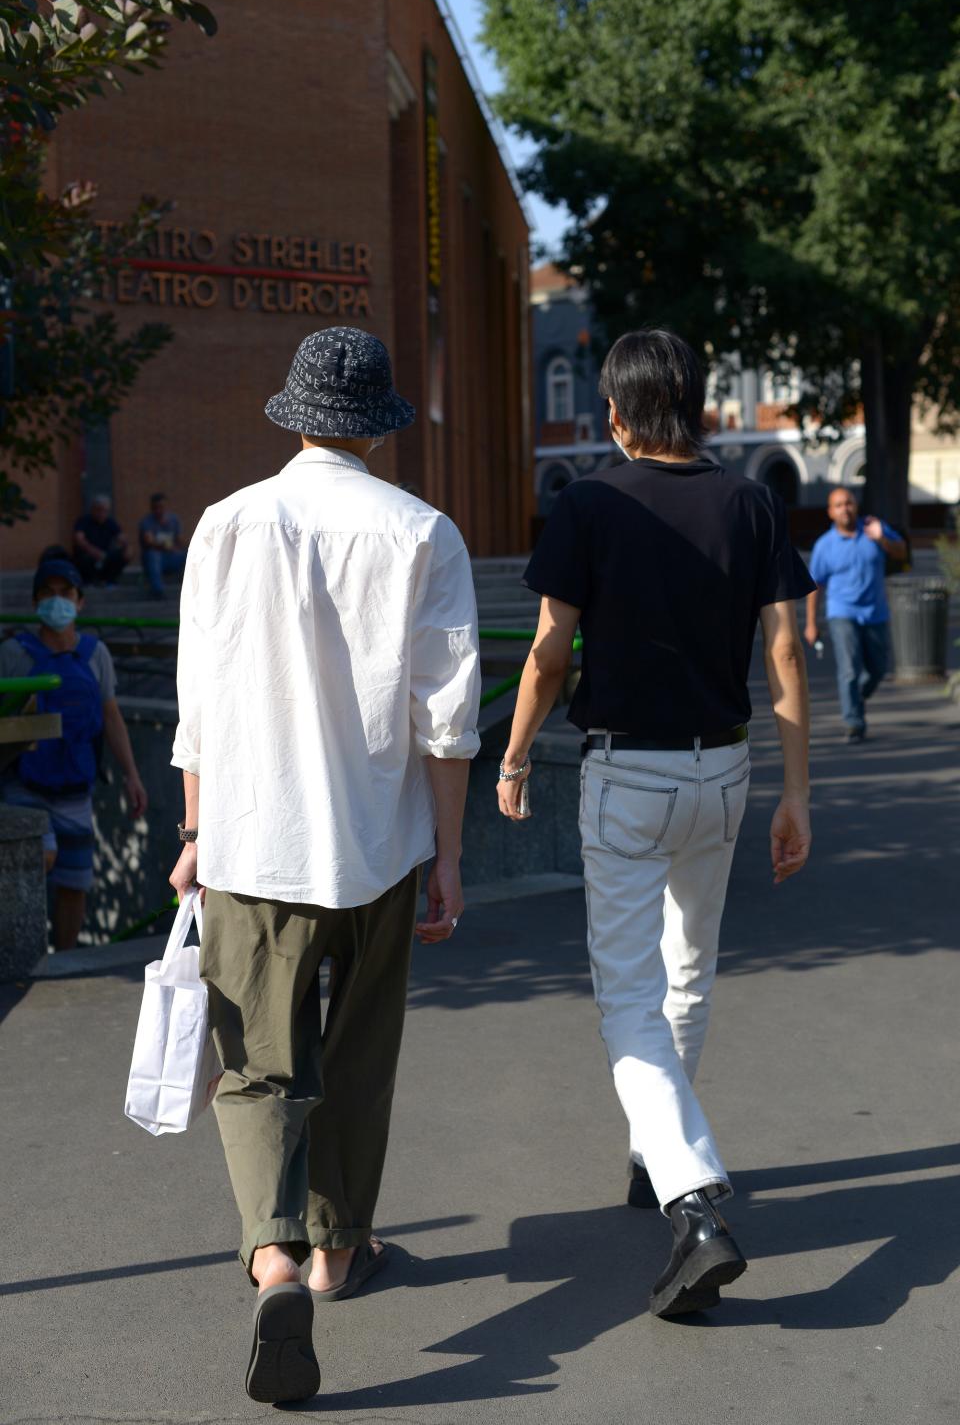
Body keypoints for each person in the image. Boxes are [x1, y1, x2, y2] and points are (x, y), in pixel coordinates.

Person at [168, 326, 481, 1404]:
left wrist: (195, 834)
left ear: (297, 417)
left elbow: (196, 705)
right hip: (378, 844)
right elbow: (447, 720)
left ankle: (274, 1260)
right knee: (358, 1051)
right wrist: (448, 853)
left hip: (253, 842)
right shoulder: (423, 531)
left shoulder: (226, 524)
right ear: (379, 428)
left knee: (259, 1064)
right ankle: (341, 1249)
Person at [496, 329, 814, 1319]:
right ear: (703, 406)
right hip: (723, 765)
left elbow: (550, 650)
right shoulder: (752, 501)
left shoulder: (589, 500)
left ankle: (693, 1197)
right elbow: (788, 655)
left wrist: (511, 754)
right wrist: (799, 793)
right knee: (687, 971)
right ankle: (654, 1152)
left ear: (618, 416)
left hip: (625, 770)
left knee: (628, 997)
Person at [0, 554, 148, 949]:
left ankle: (64, 962)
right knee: (40, 860)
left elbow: (111, 716)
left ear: (81, 601)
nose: (57, 601)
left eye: (65, 593)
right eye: (47, 593)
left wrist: (132, 774)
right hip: (24, 784)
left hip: (76, 787)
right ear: (35, 603)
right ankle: (26, 953)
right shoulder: (15, 654)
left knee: (75, 883)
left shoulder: (96, 654)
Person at [804, 487, 907, 740]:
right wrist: (810, 623)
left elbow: (901, 553)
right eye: (838, 505)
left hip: (875, 613)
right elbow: (814, 585)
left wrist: (882, 538)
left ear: (855, 506)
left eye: (848, 503)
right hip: (842, 612)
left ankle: (854, 698)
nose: (844, 509)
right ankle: (854, 722)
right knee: (849, 669)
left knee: (878, 670)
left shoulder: (873, 529)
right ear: (830, 512)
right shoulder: (824, 546)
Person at [72, 495, 132, 586]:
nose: (102, 513)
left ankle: (110, 581)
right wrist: (93, 551)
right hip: (88, 555)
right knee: (83, 557)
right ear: (93, 509)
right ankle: (89, 581)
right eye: (99, 510)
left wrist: (128, 547)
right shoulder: (84, 521)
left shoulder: (110, 522)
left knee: (121, 555)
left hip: (105, 555)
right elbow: (79, 539)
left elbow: (121, 537)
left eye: (105, 511)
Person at [139, 492, 188, 601]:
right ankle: (158, 591)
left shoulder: (174, 520)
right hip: (153, 560)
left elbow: (180, 540)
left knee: (189, 554)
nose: (159, 510)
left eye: (162, 507)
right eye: (156, 507)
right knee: (153, 555)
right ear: (152, 508)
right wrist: (166, 546)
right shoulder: (147, 522)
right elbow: (149, 541)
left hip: (171, 557)